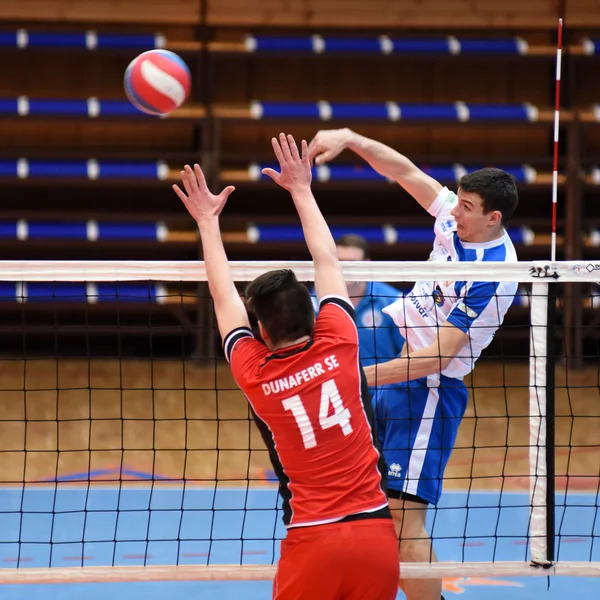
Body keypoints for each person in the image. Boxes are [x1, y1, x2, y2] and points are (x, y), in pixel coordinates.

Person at [173, 133, 399, 600]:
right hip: (377, 536)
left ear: (263, 332)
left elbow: (222, 296)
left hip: (313, 538)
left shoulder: (256, 374)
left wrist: (207, 222)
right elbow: (327, 259)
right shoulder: (341, 338)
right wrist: (301, 189)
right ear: (314, 314)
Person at [308, 128, 519, 600]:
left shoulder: (493, 275)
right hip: (396, 370)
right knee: (370, 510)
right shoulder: (455, 216)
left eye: (466, 207)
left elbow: (437, 358)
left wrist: (353, 377)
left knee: (403, 520)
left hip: (430, 389)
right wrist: (351, 138)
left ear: (493, 217)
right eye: (458, 202)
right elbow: (402, 170)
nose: (455, 211)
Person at [312, 234, 405, 371]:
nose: (345, 270)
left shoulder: (392, 301)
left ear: (366, 264)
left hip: (381, 388)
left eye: (352, 263)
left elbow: (407, 355)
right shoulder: (314, 302)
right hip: (334, 388)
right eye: (341, 263)